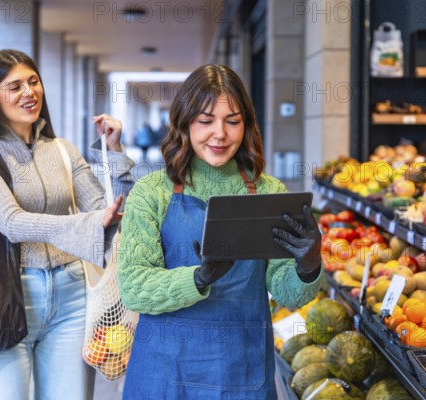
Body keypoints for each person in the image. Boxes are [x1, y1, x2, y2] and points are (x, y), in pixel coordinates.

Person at [117, 64, 323, 399]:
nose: (220, 134)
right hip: (164, 377)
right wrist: (197, 278)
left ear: (247, 124)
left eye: (232, 121)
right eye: (205, 120)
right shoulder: (151, 192)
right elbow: (134, 288)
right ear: (184, 122)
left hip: (240, 373)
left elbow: (288, 294)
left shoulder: (269, 193)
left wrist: (308, 266)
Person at [0, 49, 135, 400]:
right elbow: (11, 222)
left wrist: (114, 152)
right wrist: (87, 224)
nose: (29, 92)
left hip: (71, 296)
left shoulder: (64, 151)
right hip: (6, 295)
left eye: (33, 81)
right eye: (15, 86)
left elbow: (109, 213)